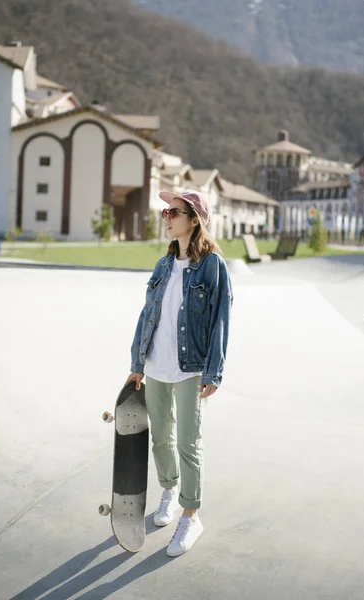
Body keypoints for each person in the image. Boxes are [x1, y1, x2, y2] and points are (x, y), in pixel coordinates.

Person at [127, 189, 233, 557]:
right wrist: (136, 365)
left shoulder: (213, 266)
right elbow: (147, 316)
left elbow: (221, 319)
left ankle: (191, 515)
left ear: (194, 219)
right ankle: (169, 491)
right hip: (156, 363)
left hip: (191, 367)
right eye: (165, 212)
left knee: (188, 440)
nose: (167, 216)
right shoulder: (162, 264)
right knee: (161, 437)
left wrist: (213, 371)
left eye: (175, 211)